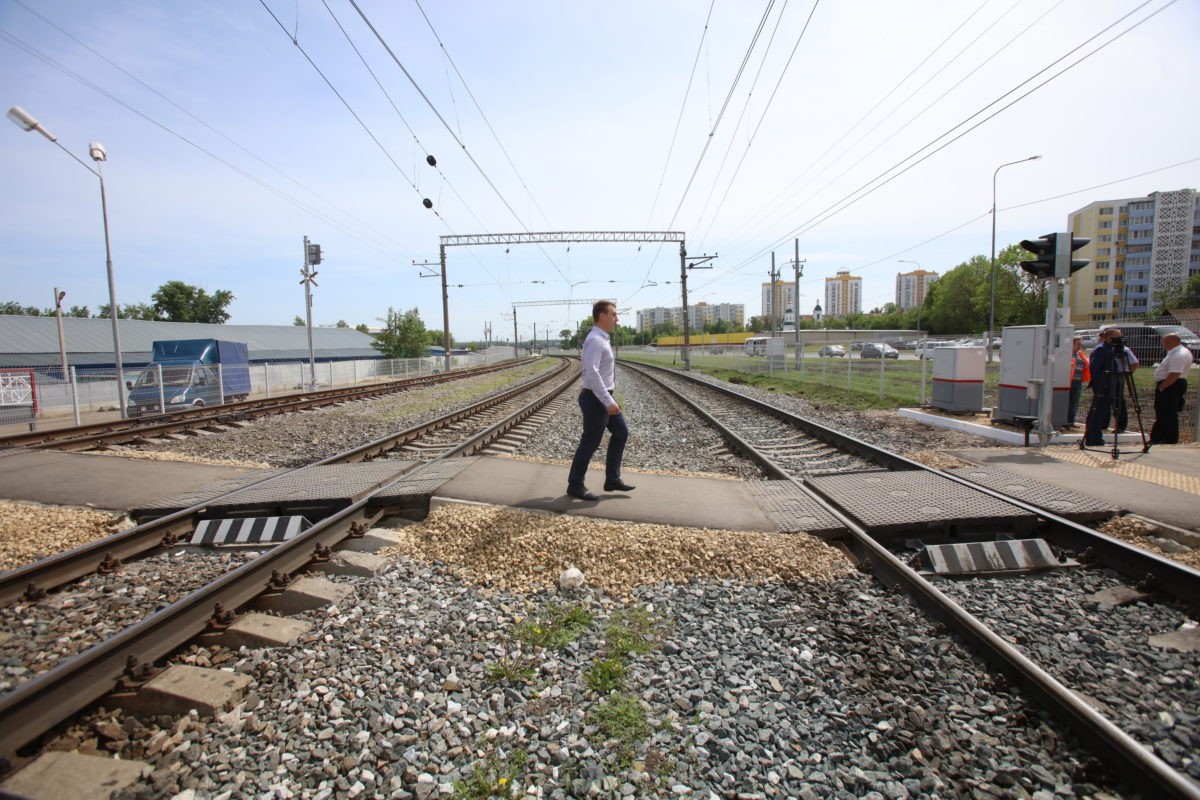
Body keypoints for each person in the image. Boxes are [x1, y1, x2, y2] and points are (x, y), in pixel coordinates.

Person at [566, 300, 634, 501]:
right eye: (614, 314)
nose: (617, 318)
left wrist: (609, 398)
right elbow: (592, 374)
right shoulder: (596, 340)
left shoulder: (602, 339)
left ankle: (612, 479)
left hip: (604, 397)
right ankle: (575, 485)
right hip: (596, 399)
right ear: (602, 316)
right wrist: (608, 401)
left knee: (621, 433)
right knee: (590, 442)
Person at [1149, 333, 1194, 445]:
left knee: (1168, 412)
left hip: (1171, 385)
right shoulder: (1175, 352)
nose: (1163, 344)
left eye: (1165, 341)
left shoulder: (1179, 354)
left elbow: (1175, 374)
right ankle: (1158, 437)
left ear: (1172, 341)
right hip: (1172, 384)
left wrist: (1162, 386)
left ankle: (1169, 438)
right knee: (1162, 411)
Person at [1084, 327, 1122, 446]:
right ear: (1106, 338)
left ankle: (1096, 437)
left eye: (1118, 338)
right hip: (1103, 386)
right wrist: (1101, 385)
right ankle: (1093, 438)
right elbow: (1095, 369)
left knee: (1103, 412)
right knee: (1098, 412)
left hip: (1110, 384)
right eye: (1113, 338)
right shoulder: (1101, 349)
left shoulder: (1112, 350)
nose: (1116, 340)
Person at [1066, 336, 1090, 428]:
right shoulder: (1066, 354)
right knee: (1066, 402)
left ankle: (1071, 421)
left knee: (1074, 403)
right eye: (1078, 344)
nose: (1080, 346)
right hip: (1067, 382)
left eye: (1081, 344)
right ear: (1071, 344)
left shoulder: (1080, 355)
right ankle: (1064, 421)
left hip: (1077, 382)